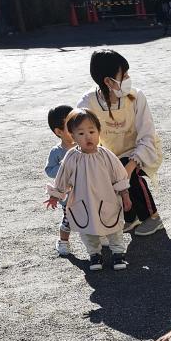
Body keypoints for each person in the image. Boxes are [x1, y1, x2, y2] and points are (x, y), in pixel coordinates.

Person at [77, 49, 165, 236]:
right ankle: (130, 217)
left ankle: (152, 217)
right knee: (110, 173)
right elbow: (78, 132)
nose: (128, 78)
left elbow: (147, 135)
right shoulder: (88, 102)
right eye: (123, 75)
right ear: (108, 81)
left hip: (140, 150)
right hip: (109, 154)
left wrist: (131, 165)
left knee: (127, 172)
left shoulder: (135, 96)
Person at [45, 109, 132, 271]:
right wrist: (55, 195)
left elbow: (120, 176)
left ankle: (118, 254)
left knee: (114, 226)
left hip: (107, 199)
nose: (88, 136)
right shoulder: (71, 157)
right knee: (86, 228)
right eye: (81, 133)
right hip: (83, 201)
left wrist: (125, 194)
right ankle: (94, 255)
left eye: (92, 131)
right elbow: (62, 177)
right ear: (72, 135)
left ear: (99, 131)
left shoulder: (106, 155)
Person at [44, 105, 75, 256]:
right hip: (68, 196)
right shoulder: (57, 152)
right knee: (68, 221)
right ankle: (63, 242)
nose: (76, 129)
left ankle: (99, 237)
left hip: (88, 191)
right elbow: (49, 170)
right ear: (59, 132)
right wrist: (64, 170)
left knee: (94, 215)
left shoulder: (83, 145)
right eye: (71, 126)